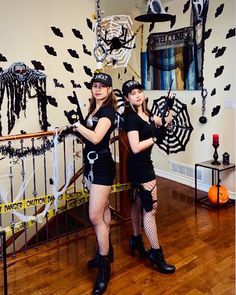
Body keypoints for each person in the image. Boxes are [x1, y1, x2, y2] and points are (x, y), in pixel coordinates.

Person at [122, 79, 176, 274]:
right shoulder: (131, 118)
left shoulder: (147, 114)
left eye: (139, 91)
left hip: (141, 165)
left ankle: (136, 240)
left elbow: (165, 122)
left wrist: (169, 107)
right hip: (141, 167)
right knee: (150, 209)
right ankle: (155, 253)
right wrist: (154, 137)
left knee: (138, 204)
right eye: (132, 93)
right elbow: (135, 147)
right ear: (127, 98)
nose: (137, 95)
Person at [72, 72, 117, 294]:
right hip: (92, 166)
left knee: (94, 216)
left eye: (102, 86)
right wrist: (74, 129)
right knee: (104, 209)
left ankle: (104, 268)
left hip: (103, 167)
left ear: (109, 90)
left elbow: (97, 138)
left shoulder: (108, 112)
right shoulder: (94, 110)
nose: (97, 89)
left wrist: (77, 125)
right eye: (95, 86)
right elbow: (88, 136)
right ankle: (106, 251)